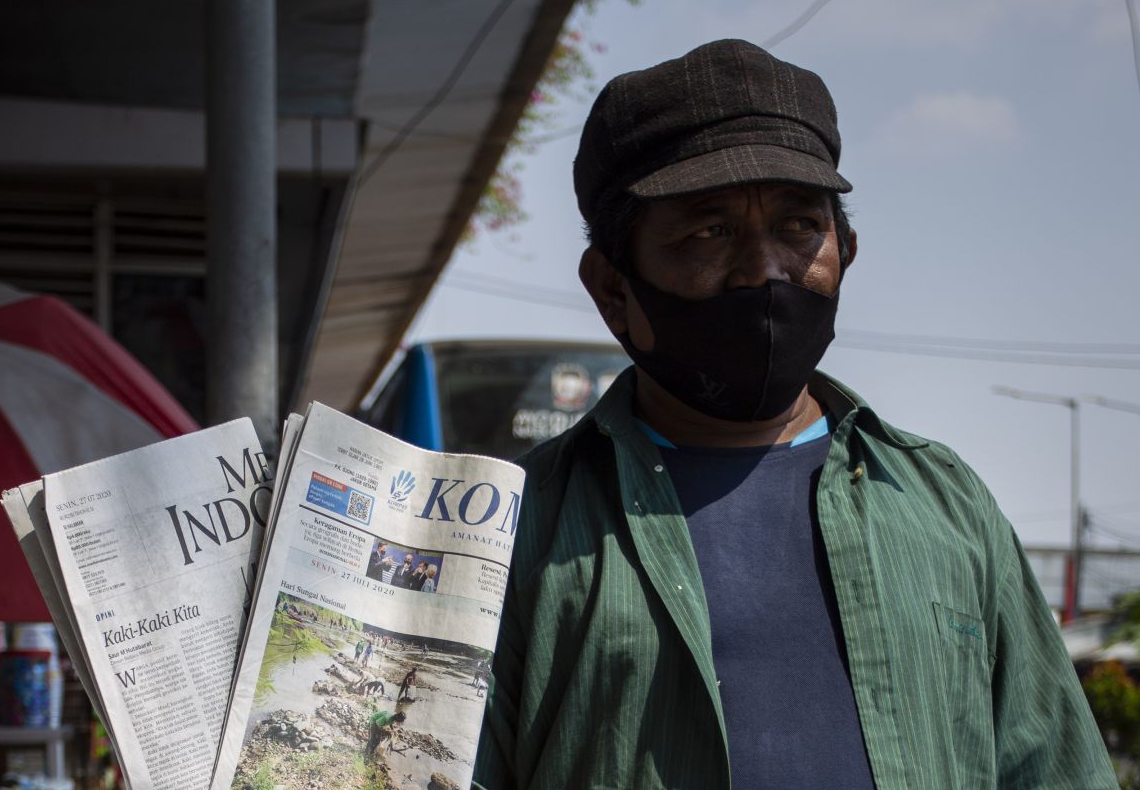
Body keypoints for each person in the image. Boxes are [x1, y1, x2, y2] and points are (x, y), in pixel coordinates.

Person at [473, 40, 1116, 790]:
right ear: (613, 287)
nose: (765, 271)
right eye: (708, 233)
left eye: (799, 227)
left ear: (845, 247)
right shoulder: (518, 532)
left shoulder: (948, 507)